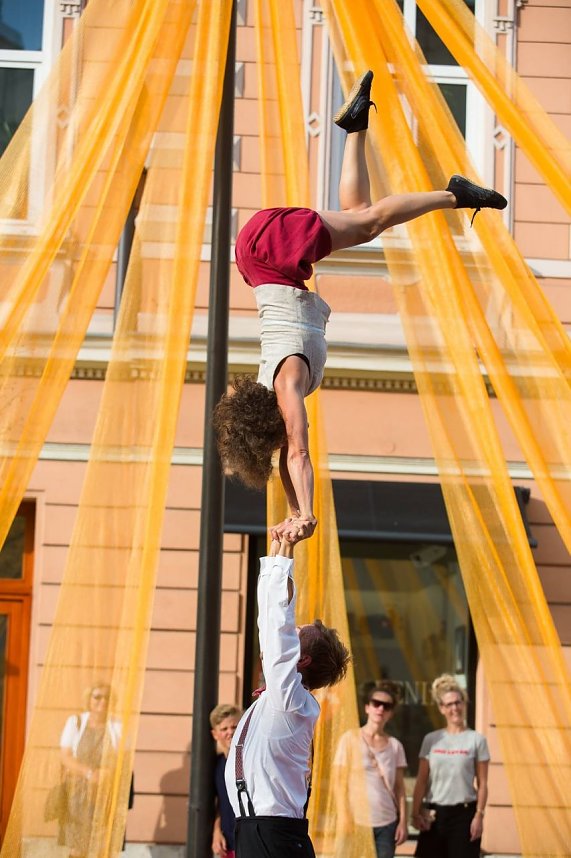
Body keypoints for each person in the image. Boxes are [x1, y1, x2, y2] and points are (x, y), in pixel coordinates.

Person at [213, 69, 508, 545]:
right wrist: (294, 513)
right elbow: (289, 457)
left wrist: (307, 513)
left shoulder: (287, 381)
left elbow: (299, 455)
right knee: (359, 214)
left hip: (271, 254)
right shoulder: (280, 388)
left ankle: (455, 194)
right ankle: (355, 128)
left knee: (368, 223)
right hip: (264, 261)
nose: (281, 442)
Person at [225, 536, 351, 857]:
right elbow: (268, 622)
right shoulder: (285, 697)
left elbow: (277, 628)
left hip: (272, 833)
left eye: (298, 635)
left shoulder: (292, 701)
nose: (292, 632)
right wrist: (277, 551)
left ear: (302, 660)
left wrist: (286, 556)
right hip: (262, 831)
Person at [411, 674, 490, 858]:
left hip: (464, 815)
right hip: (434, 815)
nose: (455, 708)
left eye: (458, 702)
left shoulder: (477, 740)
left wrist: (479, 815)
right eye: (449, 704)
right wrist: (415, 814)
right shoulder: (431, 739)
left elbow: (483, 784)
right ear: (441, 709)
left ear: (464, 703)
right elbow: (421, 781)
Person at [334, 680, 408, 858]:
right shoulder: (349, 739)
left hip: (386, 824)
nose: (380, 709)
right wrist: (344, 817)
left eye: (386, 706)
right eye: (376, 703)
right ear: (367, 707)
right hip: (355, 822)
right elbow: (339, 782)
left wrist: (403, 822)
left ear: (391, 713)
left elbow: (400, 788)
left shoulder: (395, 746)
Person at [58, 682, 127, 857]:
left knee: (104, 846)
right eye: (97, 696)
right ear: (88, 700)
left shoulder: (117, 725)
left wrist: (108, 773)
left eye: (107, 697)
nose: (102, 701)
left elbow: (123, 759)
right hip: (79, 793)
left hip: (107, 793)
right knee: (78, 847)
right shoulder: (76, 722)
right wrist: (89, 773)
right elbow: (65, 756)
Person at [210, 703, 242, 858]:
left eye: (235, 726)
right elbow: (219, 803)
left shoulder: (251, 761)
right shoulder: (216, 764)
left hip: (251, 844)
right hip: (228, 845)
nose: (230, 732)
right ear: (215, 734)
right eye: (224, 729)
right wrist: (216, 831)